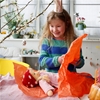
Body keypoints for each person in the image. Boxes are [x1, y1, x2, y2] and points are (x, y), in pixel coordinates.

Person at [38, 0, 84, 73]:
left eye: (58, 26)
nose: (54, 29)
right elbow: (42, 61)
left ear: (67, 24)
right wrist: (58, 60)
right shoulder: (47, 40)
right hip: (52, 78)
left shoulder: (74, 41)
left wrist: (77, 61)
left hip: (69, 79)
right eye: (52, 26)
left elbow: (81, 63)